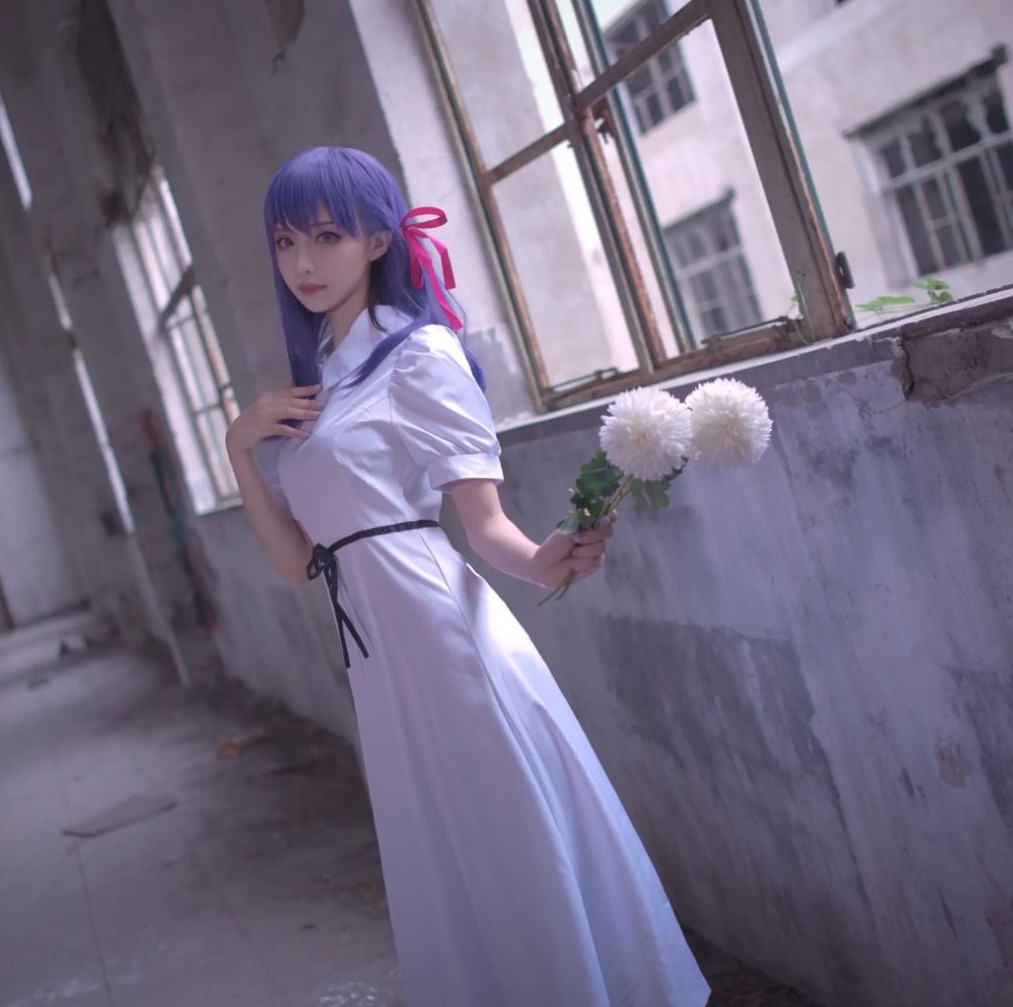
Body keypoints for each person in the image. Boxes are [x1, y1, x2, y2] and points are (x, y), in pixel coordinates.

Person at [224, 146, 709, 1007]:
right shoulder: (319, 385)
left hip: (442, 639)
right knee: (445, 855)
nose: (303, 262)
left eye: (328, 236)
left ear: (378, 240)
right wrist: (238, 449)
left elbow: (483, 525)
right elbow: (299, 562)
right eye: (287, 241)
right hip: (380, 660)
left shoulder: (417, 355)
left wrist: (542, 558)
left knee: (508, 840)